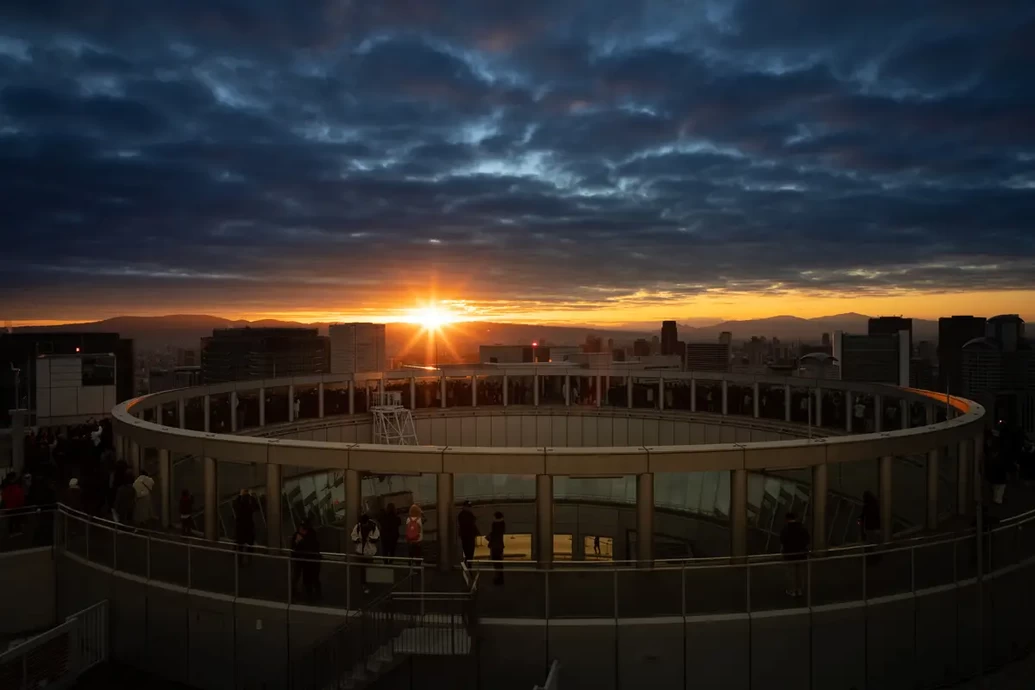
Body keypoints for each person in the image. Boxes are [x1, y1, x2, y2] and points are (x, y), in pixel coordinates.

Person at [292, 518, 323, 601]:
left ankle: (315, 595)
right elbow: (293, 547)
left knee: (312, 578)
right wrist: (296, 542)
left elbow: (312, 547)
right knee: (298, 578)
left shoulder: (312, 535)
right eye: (301, 527)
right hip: (300, 559)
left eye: (303, 528)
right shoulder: (297, 534)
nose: (301, 529)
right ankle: (296, 594)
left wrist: (302, 541)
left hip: (311, 561)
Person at [779, 513, 809, 597]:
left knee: (791, 573)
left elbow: (782, 541)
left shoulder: (785, 529)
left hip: (789, 555)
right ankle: (799, 590)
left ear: (787, 519)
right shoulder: (802, 528)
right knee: (800, 573)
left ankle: (792, 590)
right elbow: (807, 540)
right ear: (795, 518)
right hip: (801, 554)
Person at [351, 513, 380, 594]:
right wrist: (358, 540)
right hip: (362, 551)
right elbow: (353, 536)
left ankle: (367, 582)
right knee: (363, 568)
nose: (363, 525)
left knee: (368, 568)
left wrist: (369, 539)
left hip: (369, 551)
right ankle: (365, 584)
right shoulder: (358, 526)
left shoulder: (373, 526)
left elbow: (377, 537)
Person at [233, 489, 259, 563]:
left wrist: (240, 495)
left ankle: (240, 561)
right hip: (249, 526)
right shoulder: (250, 505)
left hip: (240, 526)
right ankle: (249, 559)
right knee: (250, 545)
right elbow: (256, 506)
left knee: (240, 545)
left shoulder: (239, 505)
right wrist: (251, 496)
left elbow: (235, 504)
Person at [457, 501, 479, 565]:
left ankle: (468, 568)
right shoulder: (464, 515)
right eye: (468, 507)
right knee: (469, 553)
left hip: (467, 537)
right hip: (467, 537)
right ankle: (468, 568)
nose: (469, 508)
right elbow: (467, 525)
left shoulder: (464, 514)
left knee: (469, 554)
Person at [487, 511, 506, 585]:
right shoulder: (502, 524)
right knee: (499, 562)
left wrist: (489, 540)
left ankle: (497, 578)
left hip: (495, 546)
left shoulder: (494, 524)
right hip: (500, 546)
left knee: (495, 562)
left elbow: (494, 535)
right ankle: (500, 578)